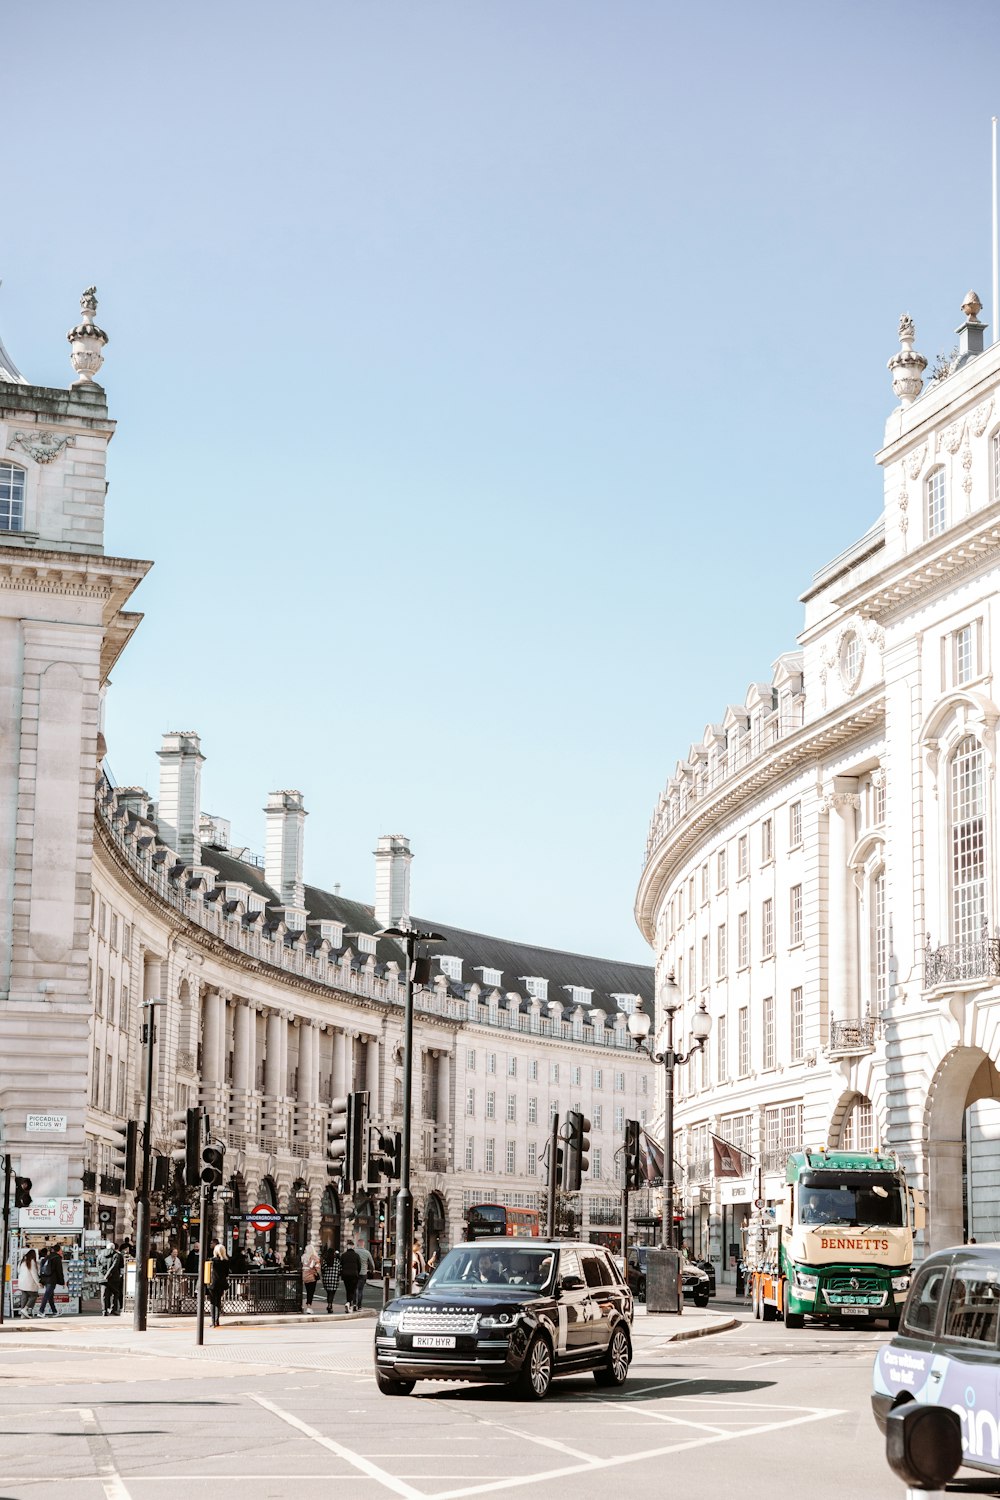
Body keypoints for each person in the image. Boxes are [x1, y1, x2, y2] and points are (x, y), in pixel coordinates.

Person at [37, 1242, 65, 1317]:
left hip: (45, 1279)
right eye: (61, 1250)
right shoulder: (57, 1258)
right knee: (47, 1295)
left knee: (50, 1295)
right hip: (52, 1279)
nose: (62, 1251)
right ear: (58, 1251)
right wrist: (62, 1282)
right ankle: (41, 1311)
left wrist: (41, 1280)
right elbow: (59, 1271)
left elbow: (41, 1269)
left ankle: (54, 1311)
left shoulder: (47, 1257)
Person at [208, 1243, 229, 1328]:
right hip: (221, 1283)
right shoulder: (226, 1261)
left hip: (212, 1283)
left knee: (213, 1302)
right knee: (218, 1302)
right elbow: (227, 1273)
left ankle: (213, 1321)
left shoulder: (211, 1260)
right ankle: (217, 1320)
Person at [102, 1243, 125, 1316]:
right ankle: (113, 1309)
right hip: (114, 1277)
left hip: (103, 1278)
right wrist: (109, 1274)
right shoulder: (117, 1255)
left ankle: (104, 1310)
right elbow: (116, 1266)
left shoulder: (101, 1254)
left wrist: (104, 1273)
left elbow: (98, 1265)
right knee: (116, 1293)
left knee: (105, 1294)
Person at [16, 1249, 40, 1317]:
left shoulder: (21, 1261)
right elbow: (34, 1274)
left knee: (24, 1297)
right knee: (34, 1295)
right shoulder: (32, 1261)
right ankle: (25, 1309)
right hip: (29, 1283)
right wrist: (38, 1283)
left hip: (22, 1283)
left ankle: (22, 1315)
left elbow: (18, 1271)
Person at [340, 1241, 361, 1312]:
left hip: (345, 1275)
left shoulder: (343, 1255)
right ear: (353, 1246)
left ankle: (348, 1302)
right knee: (353, 1290)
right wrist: (357, 1272)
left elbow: (341, 1265)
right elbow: (359, 1266)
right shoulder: (356, 1255)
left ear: (347, 1246)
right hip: (354, 1275)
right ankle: (350, 1304)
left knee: (348, 1289)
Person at [301, 1241, 321, 1313]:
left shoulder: (304, 1257)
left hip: (305, 1276)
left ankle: (306, 1305)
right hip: (312, 1276)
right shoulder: (314, 1258)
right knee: (311, 1292)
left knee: (307, 1291)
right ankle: (309, 1306)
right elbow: (316, 1267)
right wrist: (317, 1272)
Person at [320, 1245, 341, 1313]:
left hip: (326, 1279)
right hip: (334, 1279)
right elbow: (339, 1269)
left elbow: (322, 1269)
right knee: (332, 1293)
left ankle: (329, 1305)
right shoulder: (336, 1261)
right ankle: (330, 1305)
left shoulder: (326, 1261)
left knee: (328, 1293)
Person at [354, 1241, 375, 1310]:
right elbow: (372, 1263)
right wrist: (372, 1270)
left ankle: (354, 1304)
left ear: (357, 1244)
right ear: (363, 1244)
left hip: (355, 1273)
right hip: (363, 1273)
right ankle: (359, 1306)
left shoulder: (354, 1251)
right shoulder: (367, 1252)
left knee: (354, 1289)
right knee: (360, 1290)